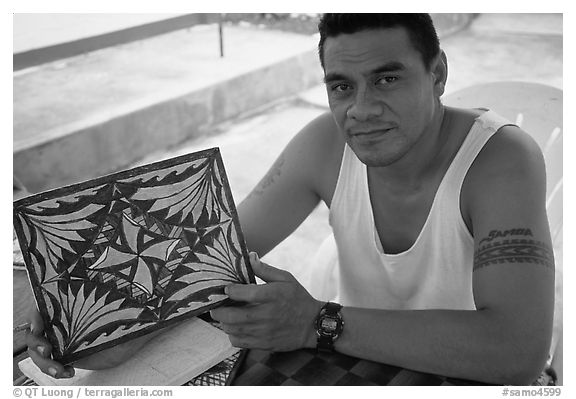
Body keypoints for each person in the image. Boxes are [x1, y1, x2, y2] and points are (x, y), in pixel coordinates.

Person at [26, 13, 555, 385]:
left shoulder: (501, 159)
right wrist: (111, 332)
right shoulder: (326, 141)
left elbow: (518, 354)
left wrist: (314, 322)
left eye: (387, 78)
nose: (361, 110)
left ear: (437, 74)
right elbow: (209, 263)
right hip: (358, 367)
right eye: (341, 86)